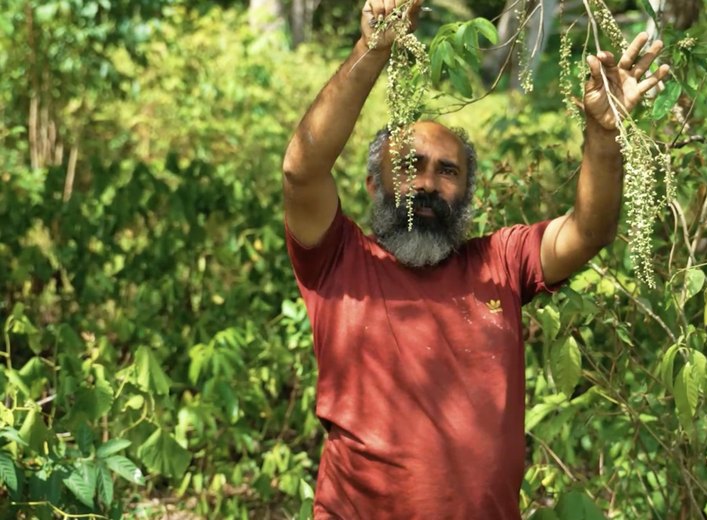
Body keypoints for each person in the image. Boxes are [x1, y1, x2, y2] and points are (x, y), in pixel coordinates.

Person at [282, 1, 670, 518]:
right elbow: (301, 170)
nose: (426, 184)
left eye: (447, 172)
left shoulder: (501, 262)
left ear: (467, 192)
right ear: (375, 183)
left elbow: (587, 232)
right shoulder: (338, 261)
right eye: (410, 166)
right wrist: (374, 48)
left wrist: (603, 137)